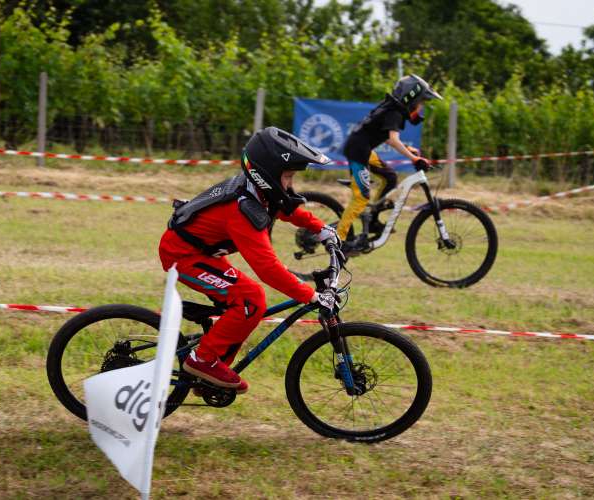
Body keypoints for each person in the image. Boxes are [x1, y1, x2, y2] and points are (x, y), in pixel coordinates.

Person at [158, 127, 340, 394]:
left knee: (246, 305)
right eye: (288, 176)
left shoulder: (258, 191)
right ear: (267, 174)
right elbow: (268, 269)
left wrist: (322, 229)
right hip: (182, 256)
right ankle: (202, 360)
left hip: (203, 254)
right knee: (250, 298)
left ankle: (208, 375)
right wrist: (311, 296)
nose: (290, 183)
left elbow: (287, 208)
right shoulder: (241, 210)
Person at [337, 74, 443, 254]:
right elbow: (393, 140)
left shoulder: (393, 109)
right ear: (412, 98)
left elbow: (385, 136)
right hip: (358, 152)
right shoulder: (395, 112)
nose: (421, 108)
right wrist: (414, 158)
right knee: (361, 198)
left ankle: (371, 220)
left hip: (363, 149)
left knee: (390, 177)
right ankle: (339, 240)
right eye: (421, 103)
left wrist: (409, 149)